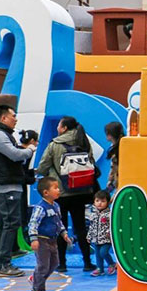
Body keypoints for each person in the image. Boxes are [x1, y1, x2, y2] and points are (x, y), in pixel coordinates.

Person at [37, 116, 96, 272]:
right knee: (81, 227)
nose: (57, 128)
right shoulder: (83, 141)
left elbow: (42, 167)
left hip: (59, 193)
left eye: (59, 125)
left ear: (64, 128)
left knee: (59, 227)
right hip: (80, 191)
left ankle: (61, 263)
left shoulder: (54, 144)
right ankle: (87, 262)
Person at [0, 105, 37, 277]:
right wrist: (29, 150)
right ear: (3, 118)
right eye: (13, 116)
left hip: (5, 184)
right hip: (6, 186)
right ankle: (4, 265)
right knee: (10, 224)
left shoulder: (2, 134)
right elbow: (15, 155)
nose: (16, 119)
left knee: (3, 223)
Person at [28, 177, 72, 291]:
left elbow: (58, 222)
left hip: (53, 241)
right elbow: (33, 223)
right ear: (46, 192)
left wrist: (64, 233)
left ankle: (36, 278)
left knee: (54, 263)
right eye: (55, 188)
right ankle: (37, 289)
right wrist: (34, 239)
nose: (59, 190)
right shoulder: (40, 208)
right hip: (42, 240)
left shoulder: (56, 206)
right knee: (43, 265)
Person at [87, 190, 116, 276]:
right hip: (96, 239)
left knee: (103, 252)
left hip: (106, 239)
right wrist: (89, 236)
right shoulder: (93, 214)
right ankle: (100, 269)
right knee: (98, 255)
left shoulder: (109, 214)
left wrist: (109, 233)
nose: (99, 203)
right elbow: (91, 226)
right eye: (97, 201)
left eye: (103, 201)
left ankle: (112, 264)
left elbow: (113, 225)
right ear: (94, 201)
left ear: (108, 202)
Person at [104, 122, 123, 193]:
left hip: (120, 181)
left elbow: (115, 168)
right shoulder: (114, 146)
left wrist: (111, 182)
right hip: (116, 181)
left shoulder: (120, 148)